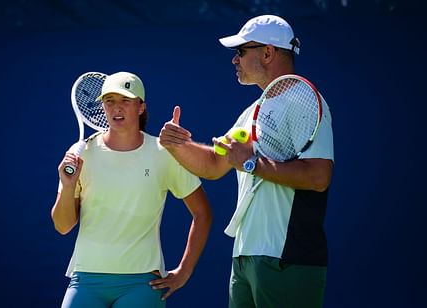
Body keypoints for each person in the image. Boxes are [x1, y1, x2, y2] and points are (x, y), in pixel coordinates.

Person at [158, 15, 334, 308]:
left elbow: (318, 176)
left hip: (287, 257)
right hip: (245, 256)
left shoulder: (304, 99)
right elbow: (215, 164)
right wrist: (178, 145)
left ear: (267, 53)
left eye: (241, 51)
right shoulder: (252, 111)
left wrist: (252, 162)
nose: (234, 60)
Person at [52, 71, 212, 308]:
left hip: (142, 283)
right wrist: (67, 187)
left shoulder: (164, 153)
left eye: (125, 101)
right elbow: (62, 226)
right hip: (86, 279)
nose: (117, 108)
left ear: (140, 107)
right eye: (110, 102)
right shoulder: (82, 153)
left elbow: (203, 213)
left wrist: (184, 271)